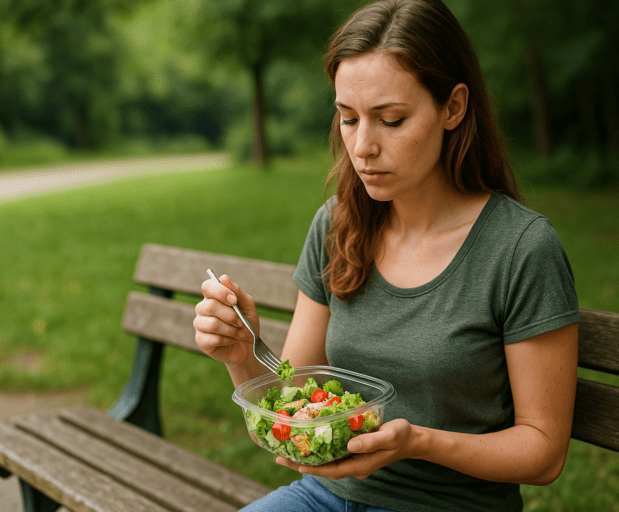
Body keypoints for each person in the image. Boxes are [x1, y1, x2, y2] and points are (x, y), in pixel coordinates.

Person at [193, 0, 579, 510]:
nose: (363, 147)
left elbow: (544, 452)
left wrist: (416, 442)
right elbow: (291, 407)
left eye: (391, 120)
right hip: (324, 496)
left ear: (453, 108)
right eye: (348, 119)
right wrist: (244, 358)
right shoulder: (337, 224)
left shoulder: (521, 249)